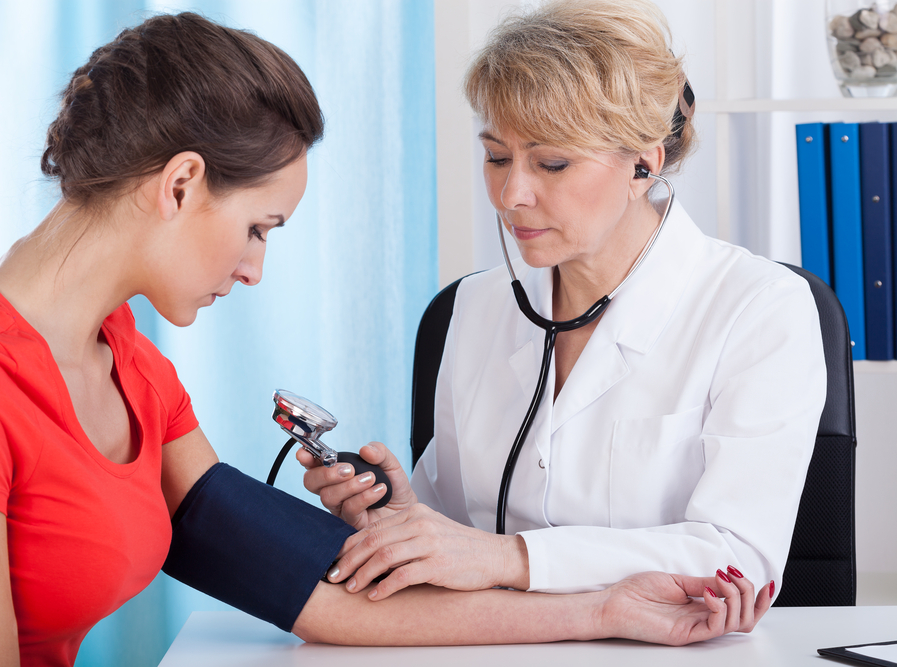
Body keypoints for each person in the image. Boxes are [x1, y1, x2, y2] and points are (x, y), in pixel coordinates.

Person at [0, 11, 772, 667]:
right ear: (181, 184)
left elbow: (311, 592)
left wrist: (600, 608)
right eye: (260, 227)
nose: (254, 270)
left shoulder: (126, 358)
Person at [303, 0, 826, 607]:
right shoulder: (473, 306)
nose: (509, 194)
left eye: (551, 163)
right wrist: (398, 519)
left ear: (642, 163)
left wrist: (513, 558)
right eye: (497, 156)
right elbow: (455, 528)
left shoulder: (760, 309)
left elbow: (739, 557)